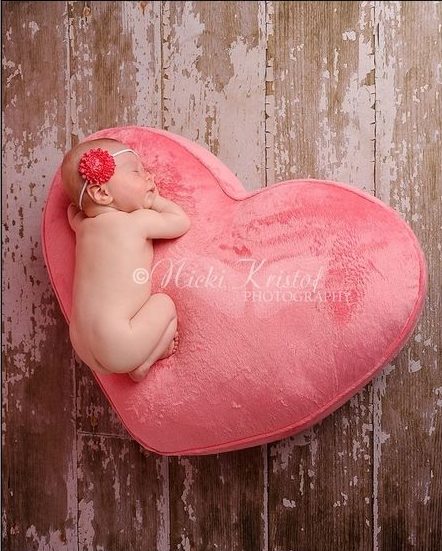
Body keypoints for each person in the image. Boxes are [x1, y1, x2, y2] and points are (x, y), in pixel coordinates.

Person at [61, 137, 191, 382]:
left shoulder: (83, 228)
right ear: (101, 193)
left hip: (81, 343)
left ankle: (135, 358)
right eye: (136, 172)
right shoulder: (136, 222)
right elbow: (180, 222)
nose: (150, 177)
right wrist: (154, 200)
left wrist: (79, 204)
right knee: (165, 304)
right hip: (120, 341)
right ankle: (145, 362)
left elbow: (72, 212)